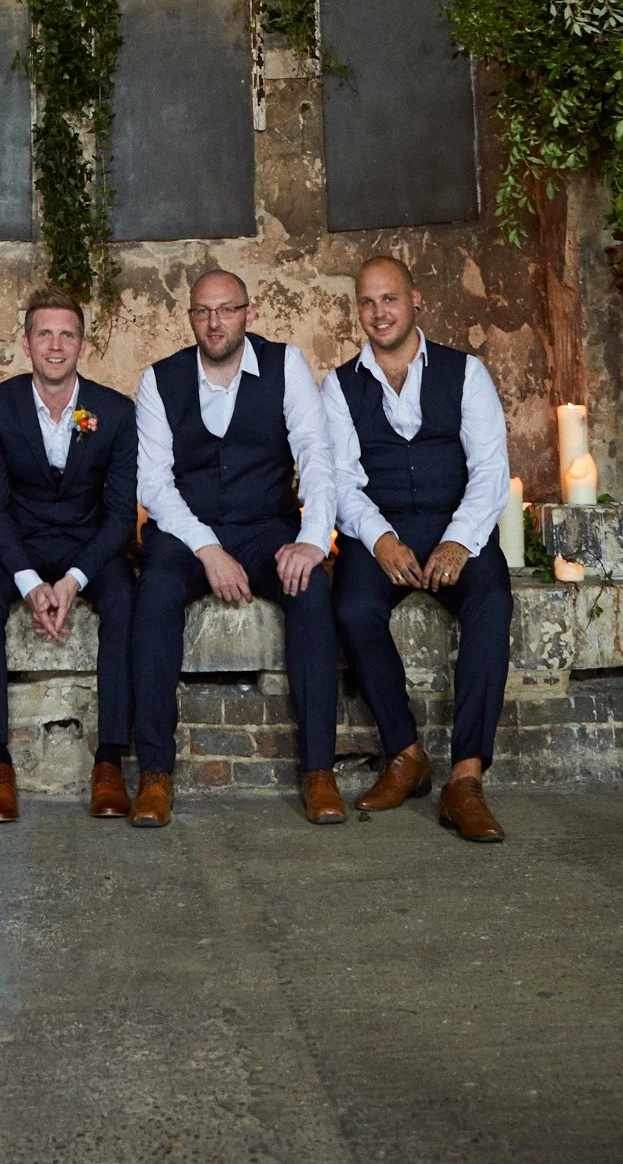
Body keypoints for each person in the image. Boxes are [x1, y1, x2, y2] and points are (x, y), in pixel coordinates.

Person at [130, 268, 342, 829]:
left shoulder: (285, 365)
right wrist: (207, 548)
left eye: (226, 310)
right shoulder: (161, 379)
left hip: (266, 526)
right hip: (187, 531)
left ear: (249, 313)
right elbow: (154, 484)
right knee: (152, 596)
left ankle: (319, 771)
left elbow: (316, 455)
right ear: (191, 318)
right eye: (203, 311)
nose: (214, 321)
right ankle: (154, 774)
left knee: (312, 591)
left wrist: (312, 541)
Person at [323, 255, 514, 844]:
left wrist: (459, 540)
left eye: (390, 299)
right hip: (379, 526)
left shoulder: (466, 373)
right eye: (367, 302)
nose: (379, 313)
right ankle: (405, 753)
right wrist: (379, 539)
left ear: (415, 301)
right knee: (352, 608)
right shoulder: (338, 385)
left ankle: (465, 779)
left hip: (457, 522)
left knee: (491, 604)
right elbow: (341, 479)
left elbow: (489, 470)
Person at [0, 290, 138, 825]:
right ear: (26, 343)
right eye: (45, 334)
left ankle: (109, 760)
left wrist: (73, 580)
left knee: (128, 600)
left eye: (67, 335)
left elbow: (119, 512)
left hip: (90, 544)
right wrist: (26, 579)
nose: (55, 345)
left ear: (82, 344)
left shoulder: (114, 411)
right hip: (17, 542)